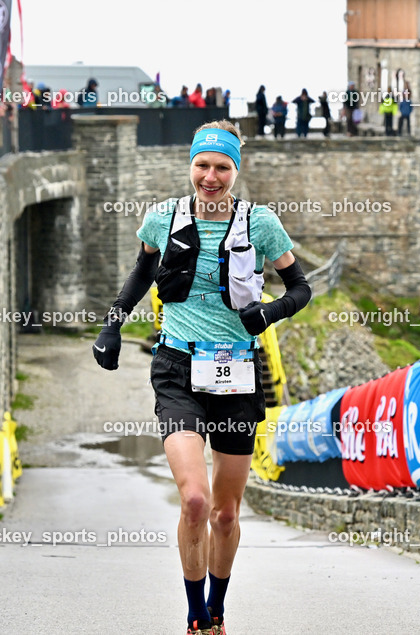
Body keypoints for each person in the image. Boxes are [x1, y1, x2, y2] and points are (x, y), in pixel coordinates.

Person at [92, 120, 311, 635]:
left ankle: (218, 607)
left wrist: (270, 313)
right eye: (202, 165)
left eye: (222, 168)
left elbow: (300, 288)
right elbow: (142, 273)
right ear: (190, 165)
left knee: (226, 514)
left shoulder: (261, 223)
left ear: (236, 170)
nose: (210, 177)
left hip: (237, 373)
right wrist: (112, 326)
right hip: (178, 369)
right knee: (195, 499)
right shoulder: (163, 218)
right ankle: (197, 615)